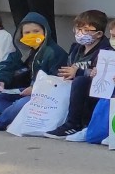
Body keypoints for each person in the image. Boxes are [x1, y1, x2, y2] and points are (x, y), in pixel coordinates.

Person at [0, 12, 66, 132]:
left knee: (22, 103)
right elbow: (7, 65)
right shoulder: (24, 51)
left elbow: (57, 80)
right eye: (27, 32)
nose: (32, 35)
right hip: (27, 91)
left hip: (45, 96)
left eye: (36, 31)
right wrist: (1, 80)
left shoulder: (53, 52)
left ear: (45, 31)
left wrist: (35, 88)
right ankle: (17, 119)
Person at [45, 10, 111, 138]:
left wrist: (79, 72)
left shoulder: (106, 51)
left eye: (86, 30)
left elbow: (102, 75)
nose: (80, 33)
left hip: (91, 94)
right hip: (71, 89)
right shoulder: (76, 48)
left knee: (80, 81)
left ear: (99, 34)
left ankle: (73, 124)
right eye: (78, 29)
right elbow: (68, 67)